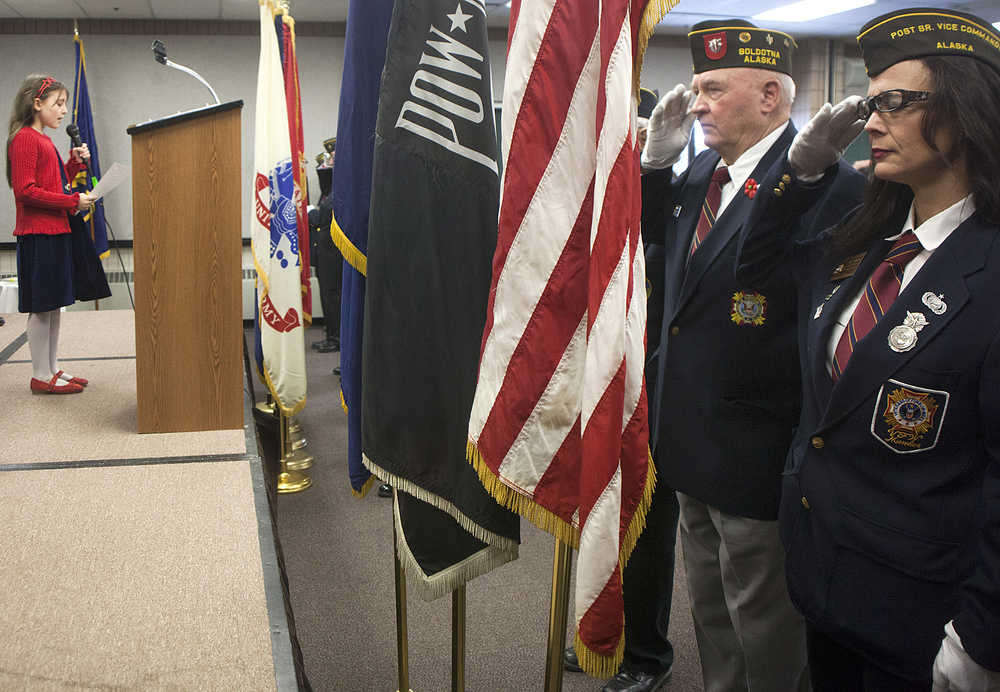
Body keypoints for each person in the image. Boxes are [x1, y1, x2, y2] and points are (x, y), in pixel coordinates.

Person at [736, 8, 1000, 690]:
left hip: (922, 615)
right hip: (824, 581)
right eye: (871, 102)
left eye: (896, 103)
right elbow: (755, 265)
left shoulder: (988, 269)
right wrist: (803, 169)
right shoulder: (865, 248)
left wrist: (981, 640)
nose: (873, 121)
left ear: (967, 110)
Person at [626, 20, 865, 692]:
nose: (696, 103)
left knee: (764, 621)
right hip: (689, 435)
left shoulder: (829, 186)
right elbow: (653, 248)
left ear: (769, 96)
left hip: (758, 443)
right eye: (699, 88)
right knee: (709, 608)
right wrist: (651, 168)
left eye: (712, 89)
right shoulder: (700, 171)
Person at [6, 74, 95, 395]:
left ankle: (52, 369)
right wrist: (73, 200)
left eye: (64, 104)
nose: (63, 111)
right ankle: (40, 375)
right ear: (36, 103)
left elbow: (50, 183)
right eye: (58, 104)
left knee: (54, 305)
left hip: (55, 231)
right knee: (42, 307)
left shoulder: (43, 139)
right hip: (38, 235)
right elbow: (26, 191)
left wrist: (70, 166)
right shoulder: (26, 139)